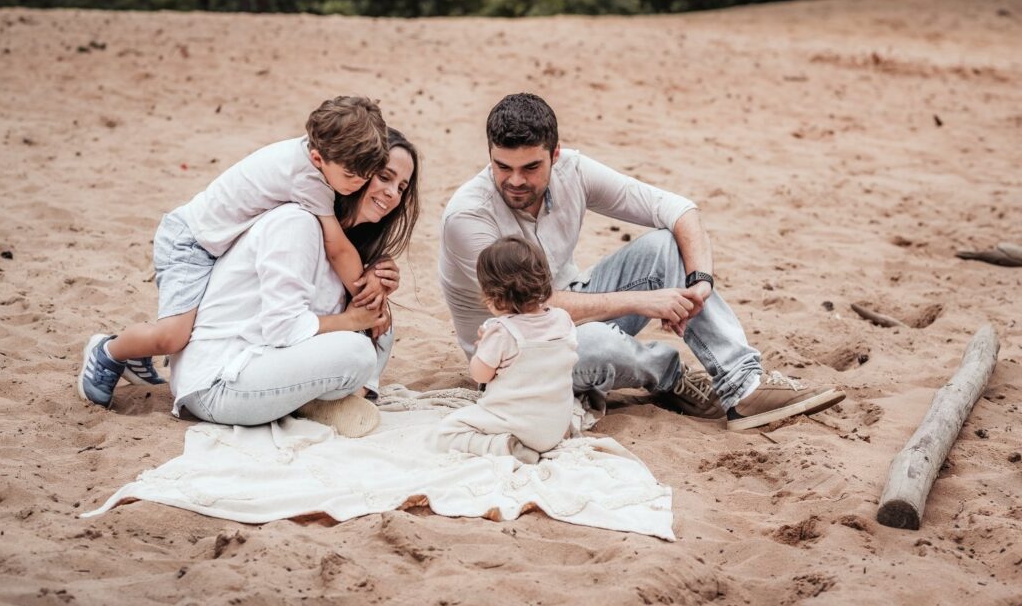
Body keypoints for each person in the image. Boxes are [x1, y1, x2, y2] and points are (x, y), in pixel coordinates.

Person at [439, 93, 845, 431]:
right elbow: (532, 305)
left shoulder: (572, 170)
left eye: (531, 167)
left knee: (665, 245)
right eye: (502, 167)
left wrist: (701, 281)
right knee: (594, 343)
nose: (515, 181)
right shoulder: (468, 216)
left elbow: (677, 209)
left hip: (571, 309)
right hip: (514, 354)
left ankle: (743, 386)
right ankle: (674, 378)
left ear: (555, 154)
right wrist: (640, 302)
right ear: (489, 155)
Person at [78, 95, 390, 409]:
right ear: (318, 159)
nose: (357, 184)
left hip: (217, 242)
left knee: (195, 323)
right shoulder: (307, 179)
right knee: (172, 336)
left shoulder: (323, 154)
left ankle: (136, 355)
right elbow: (336, 247)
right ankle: (109, 351)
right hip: (191, 241)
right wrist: (367, 299)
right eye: (350, 176)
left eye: (365, 177)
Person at [164, 128, 419, 429]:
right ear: (358, 171)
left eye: (402, 187)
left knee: (380, 320)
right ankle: (314, 402)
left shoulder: (345, 244)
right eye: (384, 177)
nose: (393, 193)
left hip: (265, 362)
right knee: (359, 351)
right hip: (218, 381)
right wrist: (352, 322)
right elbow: (282, 329)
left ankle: (329, 399)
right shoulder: (297, 224)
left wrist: (374, 278)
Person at [437, 236, 578, 464]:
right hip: (555, 426)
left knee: (449, 431)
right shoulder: (563, 320)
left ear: (494, 295)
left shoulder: (502, 332)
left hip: (518, 425)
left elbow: (480, 374)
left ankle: (504, 446)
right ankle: (554, 436)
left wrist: (484, 347)